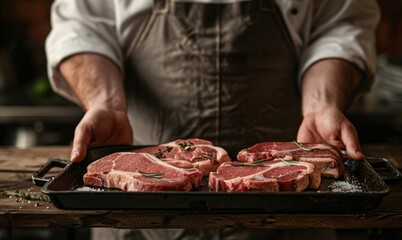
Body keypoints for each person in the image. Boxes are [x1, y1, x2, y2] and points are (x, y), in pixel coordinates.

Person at [46, 0, 380, 239]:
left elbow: (339, 25)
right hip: (139, 215)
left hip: (288, 215)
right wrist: (105, 103)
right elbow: (82, 26)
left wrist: (322, 105)